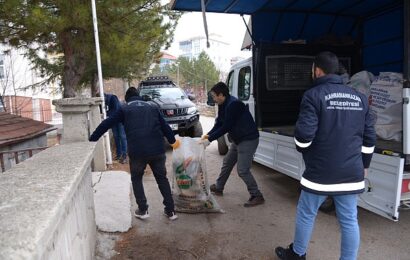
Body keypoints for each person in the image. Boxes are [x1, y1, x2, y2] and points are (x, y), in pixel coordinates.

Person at [275, 52, 376, 260]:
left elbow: (304, 138)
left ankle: (298, 254)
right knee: (349, 220)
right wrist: (364, 164)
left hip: (320, 174)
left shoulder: (313, 95)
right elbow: (369, 139)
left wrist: (304, 150)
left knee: (306, 212)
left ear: (317, 70)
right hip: (351, 173)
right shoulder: (360, 98)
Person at [90, 87, 181, 221]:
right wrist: (173, 142)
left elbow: (106, 124)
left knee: (137, 178)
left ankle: (143, 210)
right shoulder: (153, 107)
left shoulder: (124, 109)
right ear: (139, 97)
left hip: (137, 152)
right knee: (162, 178)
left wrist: (92, 139)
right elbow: (165, 126)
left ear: (127, 99)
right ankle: (171, 211)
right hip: (157, 150)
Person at [200, 82, 264, 207]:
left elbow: (226, 127)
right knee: (227, 162)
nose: (213, 99)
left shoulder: (233, 104)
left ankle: (257, 195)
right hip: (238, 139)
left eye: (214, 96)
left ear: (221, 95)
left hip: (248, 139)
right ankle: (219, 187)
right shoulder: (223, 104)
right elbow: (219, 123)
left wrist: (210, 140)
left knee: (242, 170)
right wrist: (207, 135)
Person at [104, 93, 128, 164]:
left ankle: (124, 156)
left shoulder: (112, 97)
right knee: (116, 137)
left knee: (122, 136)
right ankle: (119, 154)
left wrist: (107, 113)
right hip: (113, 120)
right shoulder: (104, 101)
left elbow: (116, 109)